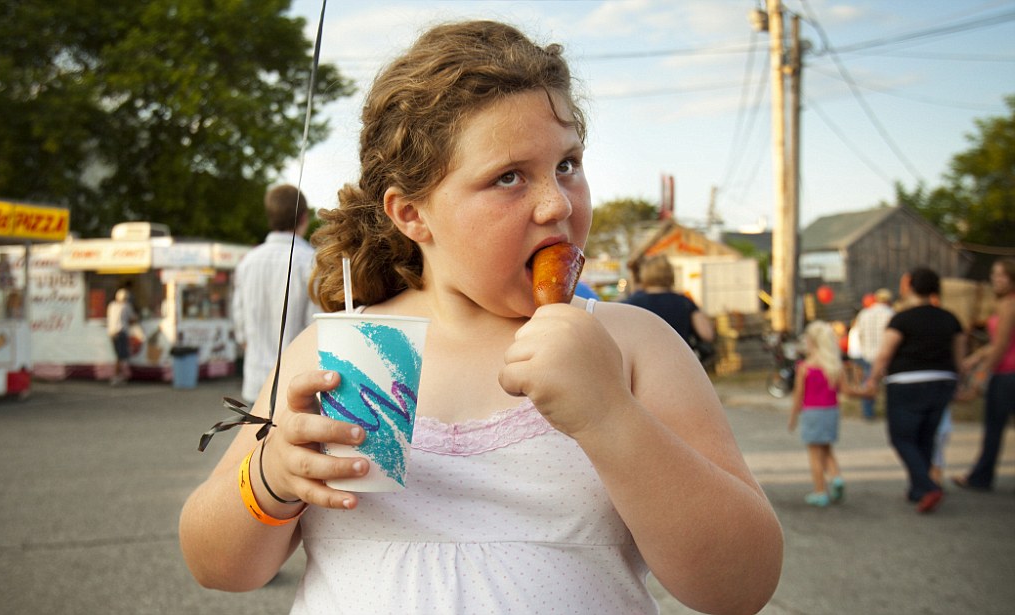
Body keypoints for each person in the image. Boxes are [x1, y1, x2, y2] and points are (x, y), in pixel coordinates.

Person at [180, 20, 782, 614]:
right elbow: (218, 567)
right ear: (413, 214)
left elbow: (740, 585)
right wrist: (270, 480)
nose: (557, 203)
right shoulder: (344, 352)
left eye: (567, 164)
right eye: (509, 177)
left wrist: (609, 415)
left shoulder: (630, 344)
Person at [861, 267, 965, 514]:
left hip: (906, 382)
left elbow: (885, 353)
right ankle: (918, 488)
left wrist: (872, 380)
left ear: (909, 285)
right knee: (925, 436)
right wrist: (960, 384)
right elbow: (959, 358)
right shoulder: (950, 319)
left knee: (902, 437)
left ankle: (928, 486)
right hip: (942, 381)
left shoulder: (901, 319)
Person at [232, 184, 318, 404]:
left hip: (255, 382)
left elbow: (239, 327)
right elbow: (315, 328)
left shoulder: (248, 262)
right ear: (304, 217)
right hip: (296, 385)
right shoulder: (310, 261)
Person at [953, 257, 1015, 492]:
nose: (996, 280)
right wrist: (975, 358)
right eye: (994, 274)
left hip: (1007, 373)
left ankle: (980, 478)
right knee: (994, 429)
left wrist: (982, 375)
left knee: (993, 429)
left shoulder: (1009, 305)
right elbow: (997, 343)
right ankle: (981, 475)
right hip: (1006, 370)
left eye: (1002, 275)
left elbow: (1001, 345)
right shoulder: (1005, 304)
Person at [787, 321, 846, 507]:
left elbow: (798, 396)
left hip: (812, 413)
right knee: (827, 448)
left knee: (814, 454)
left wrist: (793, 417)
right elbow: (845, 390)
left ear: (811, 342)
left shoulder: (805, 368)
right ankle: (836, 478)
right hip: (831, 411)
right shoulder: (834, 366)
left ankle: (820, 492)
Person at [624, 255, 716, 364]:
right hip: (680, 363)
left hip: (644, 365)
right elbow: (707, 334)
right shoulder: (685, 302)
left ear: (644, 274)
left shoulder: (632, 304)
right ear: (671, 274)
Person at [852, 288, 894, 420]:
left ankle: (868, 412)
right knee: (889, 384)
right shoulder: (890, 314)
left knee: (869, 381)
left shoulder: (865, 313)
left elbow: (859, 334)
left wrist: (864, 349)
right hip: (885, 353)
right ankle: (890, 412)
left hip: (868, 354)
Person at [106, 288, 137, 385]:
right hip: (121, 333)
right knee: (120, 356)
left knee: (120, 356)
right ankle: (116, 377)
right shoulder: (126, 306)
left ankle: (121, 376)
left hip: (111, 333)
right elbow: (133, 319)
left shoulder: (111, 305)